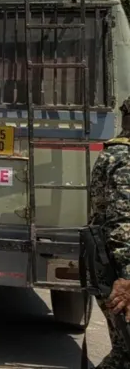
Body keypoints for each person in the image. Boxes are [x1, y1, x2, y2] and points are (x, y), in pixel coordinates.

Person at [88, 97, 130, 367]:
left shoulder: (114, 153)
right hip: (118, 271)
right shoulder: (124, 159)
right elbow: (123, 223)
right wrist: (127, 276)